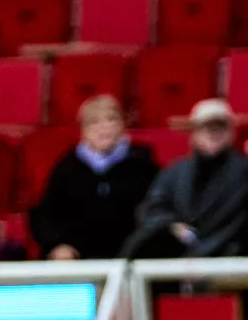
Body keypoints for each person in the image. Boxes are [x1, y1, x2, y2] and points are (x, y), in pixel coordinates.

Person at [120, 98, 248, 259]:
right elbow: (152, 208)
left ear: (231, 133)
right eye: (206, 128)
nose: (213, 133)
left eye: (220, 127)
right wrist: (172, 225)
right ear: (194, 134)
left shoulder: (247, 171)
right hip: (180, 258)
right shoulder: (176, 171)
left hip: (229, 258)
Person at [28, 95, 160, 262]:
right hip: (76, 256)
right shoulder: (68, 167)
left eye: (111, 119)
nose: (104, 128)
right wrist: (57, 245)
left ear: (122, 125)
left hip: (131, 255)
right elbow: (46, 215)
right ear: (83, 131)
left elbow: (158, 211)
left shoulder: (142, 164)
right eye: (94, 122)